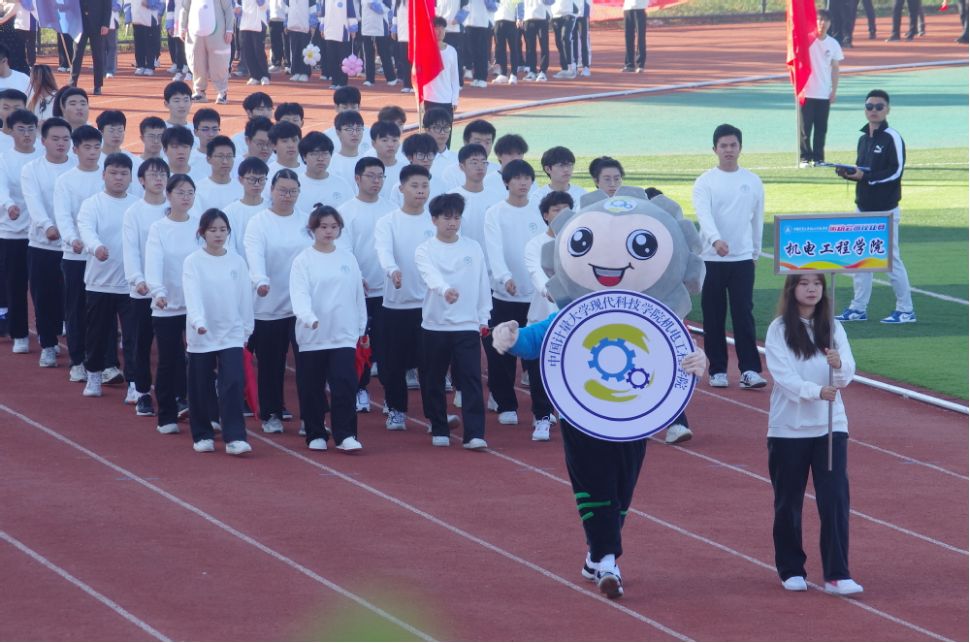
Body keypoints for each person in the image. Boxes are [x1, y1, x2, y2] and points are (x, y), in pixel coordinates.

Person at [764, 272, 862, 596]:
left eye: (817, 284)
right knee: (788, 502)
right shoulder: (779, 329)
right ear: (792, 289)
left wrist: (839, 365)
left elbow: (847, 374)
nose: (811, 289)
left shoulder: (833, 327)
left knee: (834, 499)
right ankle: (791, 569)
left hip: (831, 426)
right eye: (804, 283)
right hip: (788, 429)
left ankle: (837, 574)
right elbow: (783, 376)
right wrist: (815, 391)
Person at [414, 192, 491, 449]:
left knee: (471, 378)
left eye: (457, 218)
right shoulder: (425, 249)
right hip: (435, 325)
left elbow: (482, 283)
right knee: (433, 379)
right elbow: (430, 275)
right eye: (447, 218)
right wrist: (444, 289)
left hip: (467, 324)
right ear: (434, 220)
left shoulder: (473, 247)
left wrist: (483, 316)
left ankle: (475, 434)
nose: (452, 223)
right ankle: (439, 427)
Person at [693, 123, 767, 390]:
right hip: (711, 259)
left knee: (743, 314)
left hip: (742, 259)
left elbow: (757, 219)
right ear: (714, 149)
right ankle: (718, 370)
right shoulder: (705, 181)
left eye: (733, 145)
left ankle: (750, 370)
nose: (728, 150)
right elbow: (704, 215)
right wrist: (715, 240)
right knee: (713, 316)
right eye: (723, 145)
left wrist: (755, 251)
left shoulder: (752, 181)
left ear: (740, 148)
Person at [834, 89, 915, 324]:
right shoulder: (863, 139)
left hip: (885, 209)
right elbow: (863, 171)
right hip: (863, 207)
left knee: (891, 260)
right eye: (869, 106)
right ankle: (858, 308)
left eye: (879, 107)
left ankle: (906, 310)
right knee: (861, 258)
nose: (874, 111)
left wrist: (865, 178)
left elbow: (895, 171)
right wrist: (849, 174)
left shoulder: (892, 137)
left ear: (887, 109)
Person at [290, 205, 366, 452]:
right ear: (313, 229)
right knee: (312, 386)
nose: (329, 231)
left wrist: (361, 326)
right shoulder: (303, 260)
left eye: (334, 227)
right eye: (323, 226)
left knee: (345, 384)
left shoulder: (347, 258)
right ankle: (315, 433)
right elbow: (299, 294)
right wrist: (308, 317)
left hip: (343, 334)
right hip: (312, 335)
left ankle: (346, 434)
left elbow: (357, 294)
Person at [243, 168, 311, 433]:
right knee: (271, 364)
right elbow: (254, 254)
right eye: (282, 190)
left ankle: (311, 417)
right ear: (271, 190)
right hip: (268, 304)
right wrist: (260, 280)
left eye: (293, 191)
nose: (287, 196)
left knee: (308, 363)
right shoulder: (259, 222)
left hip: (302, 306)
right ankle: (271, 413)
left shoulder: (307, 221)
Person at [482, 159, 549, 427]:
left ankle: (542, 411)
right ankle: (506, 404)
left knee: (537, 353)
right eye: (517, 178)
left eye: (527, 178)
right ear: (506, 182)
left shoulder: (539, 210)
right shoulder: (495, 213)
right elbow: (494, 249)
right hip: (505, 295)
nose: (523, 183)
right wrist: (504, 277)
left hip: (537, 297)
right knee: (502, 350)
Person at [182, 208, 254, 455]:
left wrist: (246, 330)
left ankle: (235, 436)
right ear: (202, 232)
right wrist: (198, 321)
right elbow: (192, 294)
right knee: (200, 384)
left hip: (231, 333)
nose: (218, 234)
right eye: (213, 230)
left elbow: (245, 297)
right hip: (202, 333)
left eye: (223, 230)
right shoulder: (193, 261)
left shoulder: (237, 261)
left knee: (233, 382)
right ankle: (202, 434)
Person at [373, 164, 435, 430]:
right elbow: (383, 251)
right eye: (415, 186)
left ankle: (435, 416)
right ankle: (396, 410)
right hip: (395, 305)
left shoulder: (435, 220)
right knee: (393, 364)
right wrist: (392, 270)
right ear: (401, 189)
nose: (420, 191)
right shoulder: (388, 222)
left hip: (429, 306)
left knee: (429, 365)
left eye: (424, 186)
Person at [75, 153, 140, 397]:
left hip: (131, 284)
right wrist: (96, 247)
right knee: (97, 334)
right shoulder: (92, 204)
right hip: (99, 282)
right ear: (103, 175)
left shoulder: (137, 205)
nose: (118, 178)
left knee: (133, 337)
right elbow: (86, 231)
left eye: (124, 173)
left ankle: (134, 384)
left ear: (131, 177)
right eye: (113, 173)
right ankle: (94, 375)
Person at [53, 125, 111, 378]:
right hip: (75, 255)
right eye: (87, 147)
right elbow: (63, 215)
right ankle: (77, 361)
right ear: (75, 150)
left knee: (104, 311)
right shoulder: (65, 181)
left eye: (97, 147)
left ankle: (107, 363)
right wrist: (72, 239)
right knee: (76, 308)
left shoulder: (108, 175)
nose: (93, 152)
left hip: (105, 257)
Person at [144, 173, 200, 433]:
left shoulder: (201, 225)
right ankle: (166, 416)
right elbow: (154, 262)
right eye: (180, 192)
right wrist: (158, 291)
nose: (185, 197)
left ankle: (202, 412)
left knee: (200, 362)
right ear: (168, 195)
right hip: (166, 306)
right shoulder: (159, 228)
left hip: (195, 306)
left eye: (190, 193)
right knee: (168, 361)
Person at [21, 118, 77, 376]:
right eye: (55, 139)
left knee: (71, 299)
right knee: (43, 296)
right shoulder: (32, 169)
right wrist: (47, 226)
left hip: (73, 247)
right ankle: (48, 344)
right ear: (43, 141)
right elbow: (33, 203)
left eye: (65, 139)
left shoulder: (77, 167)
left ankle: (78, 347)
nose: (61, 144)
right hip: (43, 244)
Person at [341, 156, 396, 409]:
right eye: (370, 176)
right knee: (359, 342)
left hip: (387, 291)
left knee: (387, 346)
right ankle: (359, 389)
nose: (376, 181)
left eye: (380, 176)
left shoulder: (392, 210)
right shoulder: (345, 212)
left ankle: (391, 397)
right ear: (357, 178)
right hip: (358, 290)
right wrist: (356, 277)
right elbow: (344, 250)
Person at [521, 189, 573, 440]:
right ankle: (542, 417)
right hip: (543, 313)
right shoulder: (535, 244)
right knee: (538, 370)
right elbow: (535, 271)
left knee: (569, 369)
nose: (561, 214)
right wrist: (548, 290)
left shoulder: (579, 240)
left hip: (572, 315)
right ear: (545, 215)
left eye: (566, 210)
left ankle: (570, 414)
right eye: (556, 210)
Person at [122, 157, 171, 417]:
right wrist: (137, 279)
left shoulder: (175, 209)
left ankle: (174, 394)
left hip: (171, 291)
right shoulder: (134, 212)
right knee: (141, 343)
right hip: (142, 292)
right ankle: (141, 391)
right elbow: (130, 249)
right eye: (153, 174)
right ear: (141, 181)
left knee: (172, 346)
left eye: (163, 174)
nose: (159, 179)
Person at [0, 108, 42, 355]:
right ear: (10, 131)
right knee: (15, 284)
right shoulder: (5, 159)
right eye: (21, 129)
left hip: (43, 234)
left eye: (30, 129)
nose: (27, 134)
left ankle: (48, 330)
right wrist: (9, 205)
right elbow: (2, 188)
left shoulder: (44, 157)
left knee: (43, 285)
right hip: (14, 232)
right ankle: (20, 334)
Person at [798, 10, 843, 168]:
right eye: (820, 19)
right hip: (807, 92)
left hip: (823, 93)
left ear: (830, 23)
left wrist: (834, 90)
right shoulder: (807, 41)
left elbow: (835, 68)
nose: (822, 23)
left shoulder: (833, 44)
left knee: (821, 128)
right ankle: (804, 157)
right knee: (805, 128)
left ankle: (818, 158)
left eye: (826, 20)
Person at [178, 0, 234, 104]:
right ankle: (199, 92)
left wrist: (229, 30)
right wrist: (182, 27)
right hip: (195, 32)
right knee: (197, 62)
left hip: (217, 32)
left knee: (219, 62)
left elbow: (228, 8)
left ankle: (222, 92)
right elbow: (185, 8)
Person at [297, 131, 354, 221]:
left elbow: (350, 215)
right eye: (315, 153)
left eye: (325, 153)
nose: (320, 159)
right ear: (304, 157)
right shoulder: (295, 185)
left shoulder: (341, 184)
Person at [223, 156, 269, 257]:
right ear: (241, 179)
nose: (257, 184)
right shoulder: (229, 212)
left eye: (261, 179)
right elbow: (228, 246)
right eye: (252, 179)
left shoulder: (272, 208)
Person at [70, 0, 113, 95]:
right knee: (77, 54)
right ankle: (72, 83)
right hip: (80, 24)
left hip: (97, 24)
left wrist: (105, 24)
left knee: (98, 55)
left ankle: (98, 85)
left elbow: (107, 5)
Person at [422, 17, 460, 121]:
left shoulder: (452, 51)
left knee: (445, 129)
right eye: (437, 28)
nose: (440, 31)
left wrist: (454, 99)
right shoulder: (424, 49)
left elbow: (455, 77)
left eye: (442, 28)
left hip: (446, 100)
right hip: (429, 99)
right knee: (430, 129)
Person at [194, 136, 243, 211]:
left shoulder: (242, 188)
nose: (225, 161)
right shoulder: (198, 189)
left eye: (229, 156)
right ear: (208, 159)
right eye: (220, 156)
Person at [238, 0, 270, 87]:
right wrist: (237, 11)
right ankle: (254, 75)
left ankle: (264, 75)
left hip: (258, 23)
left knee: (258, 51)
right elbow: (238, 6)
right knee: (247, 52)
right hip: (245, 24)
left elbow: (264, 5)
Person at [522, 0, 550, 82]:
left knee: (544, 45)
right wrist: (519, 17)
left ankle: (543, 71)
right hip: (528, 18)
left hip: (542, 18)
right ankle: (532, 71)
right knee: (530, 47)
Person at [621, 0, 646, 73]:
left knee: (640, 37)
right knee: (628, 37)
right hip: (627, 8)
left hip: (640, 8)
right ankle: (629, 65)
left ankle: (640, 65)